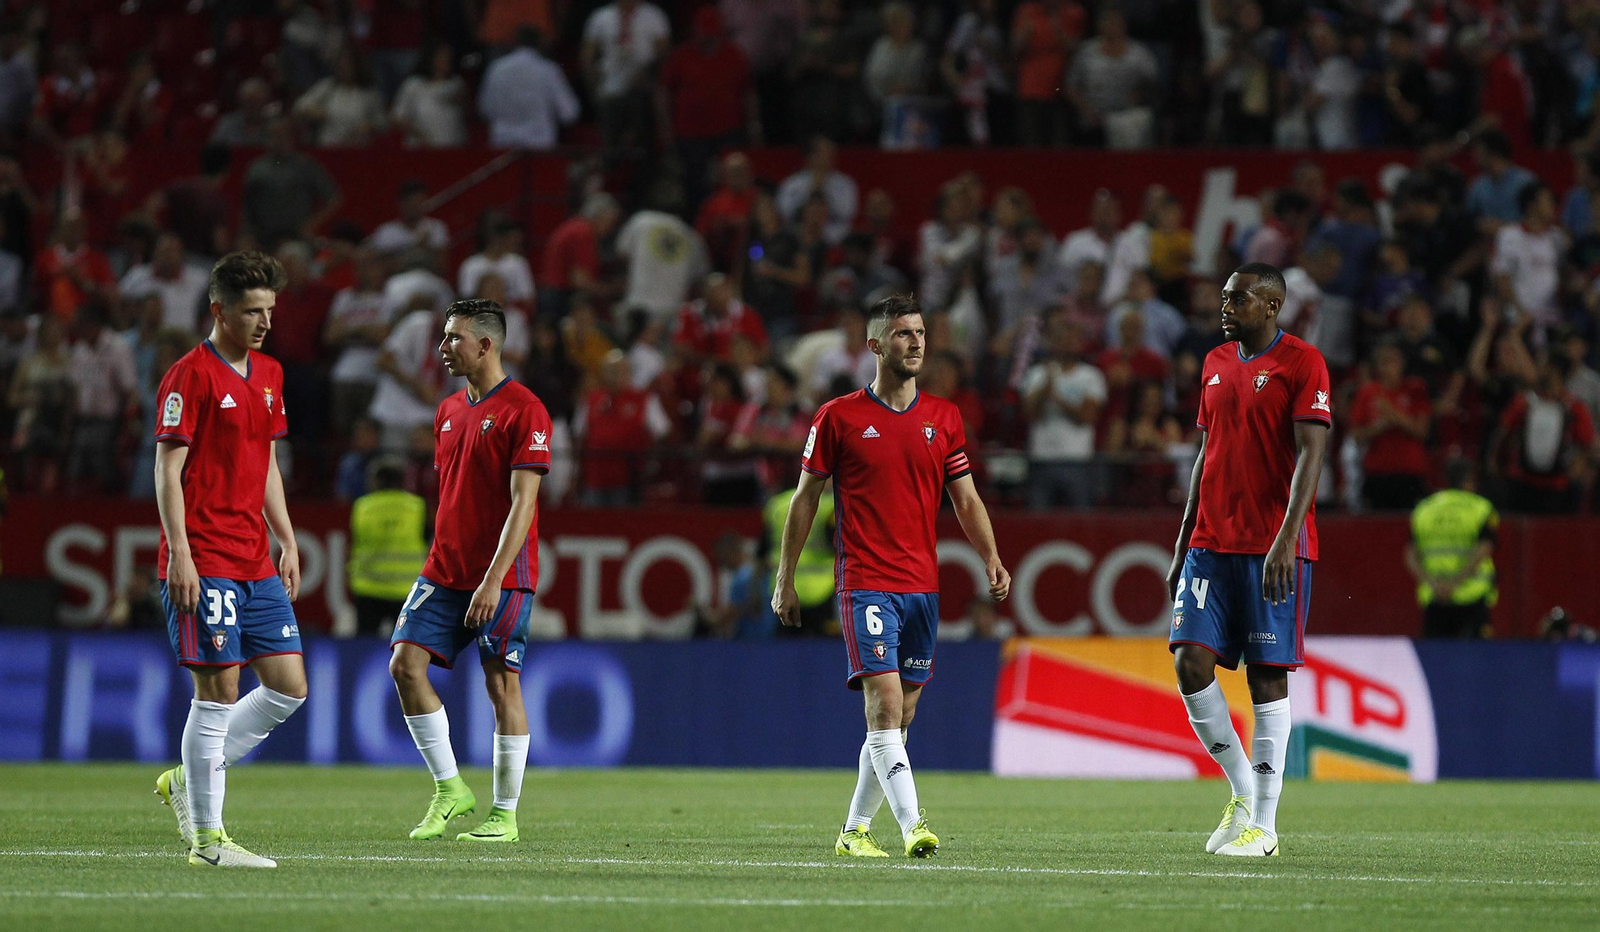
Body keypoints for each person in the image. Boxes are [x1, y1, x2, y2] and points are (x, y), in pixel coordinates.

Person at [772, 293, 1010, 860]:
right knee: (881, 704)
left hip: (921, 586)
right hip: (865, 579)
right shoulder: (839, 417)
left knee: (900, 714)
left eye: (921, 332)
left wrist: (991, 557)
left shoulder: (944, 418)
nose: (916, 342)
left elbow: (967, 499)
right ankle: (913, 825)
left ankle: (853, 831)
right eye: (903, 333)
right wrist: (784, 577)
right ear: (876, 344)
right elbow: (805, 500)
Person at [1165, 262, 1331, 858]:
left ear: (1271, 306)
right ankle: (1240, 791)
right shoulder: (1214, 363)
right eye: (1224, 297)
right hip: (1211, 542)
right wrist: (1184, 540)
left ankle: (1264, 827)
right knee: (1189, 661)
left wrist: (1287, 538)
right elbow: (1204, 454)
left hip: (1271, 547)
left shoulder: (1302, 363)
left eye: (1237, 299)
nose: (1225, 306)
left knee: (1265, 679)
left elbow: (1313, 454)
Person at [151, 252, 308, 868]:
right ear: (218, 309)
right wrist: (181, 555)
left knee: (289, 687)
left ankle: (188, 777)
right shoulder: (189, 376)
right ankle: (209, 842)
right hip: (206, 553)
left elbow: (265, 459)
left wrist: (287, 536)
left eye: (270, 310)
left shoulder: (269, 372)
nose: (265, 322)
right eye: (252, 311)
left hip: (253, 557)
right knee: (218, 689)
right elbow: (167, 471)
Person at [388, 299, 553, 844]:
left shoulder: (525, 410)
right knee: (405, 666)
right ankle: (450, 788)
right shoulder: (446, 411)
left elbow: (523, 504)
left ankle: (504, 815)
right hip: (444, 570)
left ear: (486, 345)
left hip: (500, 576)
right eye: (443, 336)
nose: (443, 347)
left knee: (502, 683)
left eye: (454, 338)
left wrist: (492, 579)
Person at [1406, 458, 1498, 639]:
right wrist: (1454, 583)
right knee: (1477, 662)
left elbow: (1410, 554)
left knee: (1435, 663)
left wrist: (1433, 584)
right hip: (1472, 597)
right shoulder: (1481, 508)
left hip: (1435, 599)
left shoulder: (1425, 509)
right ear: (1470, 480)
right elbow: (1484, 549)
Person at [348, 456, 427, 636]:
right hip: (406, 590)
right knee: (405, 646)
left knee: (364, 645)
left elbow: (354, 541)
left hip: (367, 587)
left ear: (377, 480)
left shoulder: (362, 506)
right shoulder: (418, 506)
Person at [477, 26, 580, 150]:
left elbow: (485, 109)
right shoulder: (548, 70)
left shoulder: (496, 69)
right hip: (539, 147)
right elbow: (569, 113)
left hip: (503, 144)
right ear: (539, 43)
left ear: (513, 43)